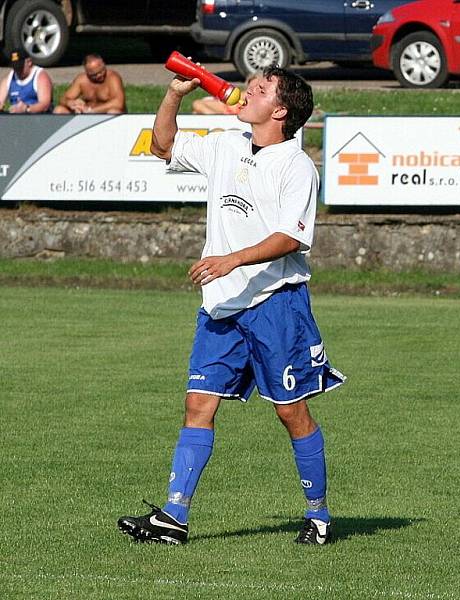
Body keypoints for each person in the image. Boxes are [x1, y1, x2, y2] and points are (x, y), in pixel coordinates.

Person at [117, 65, 345, 546]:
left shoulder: (296, 166)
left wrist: (231, 260)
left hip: (274, 305)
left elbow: (292, 237)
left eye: (261, 89)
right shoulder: (227, 143)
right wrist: (174, 94)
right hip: (222, 305)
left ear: (279, 111)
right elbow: (162, 146)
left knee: (291, 413)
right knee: (197, 404)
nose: (247, 90)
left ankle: (319, 516)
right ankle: (173, 518)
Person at [54, 53, 126, 114]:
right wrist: (71, 103)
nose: (99, 75)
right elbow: (63, 99)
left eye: (102, 71)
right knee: (59, 110)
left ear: (104, 64)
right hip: (87, 116)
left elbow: (118, 103)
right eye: (94, 75)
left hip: (104, 115)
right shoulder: (81, 80)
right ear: (87, 72)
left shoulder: (113, 78)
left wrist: (91, 111)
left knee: (113, 112)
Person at [0, 48, 53, 113]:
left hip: (38, 118)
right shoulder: (10, 78)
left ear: (29, 62)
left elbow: (45, 105)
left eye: (20, 67)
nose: (17, 70)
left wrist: (26, 109)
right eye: (15, 67)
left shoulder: (40, 77)